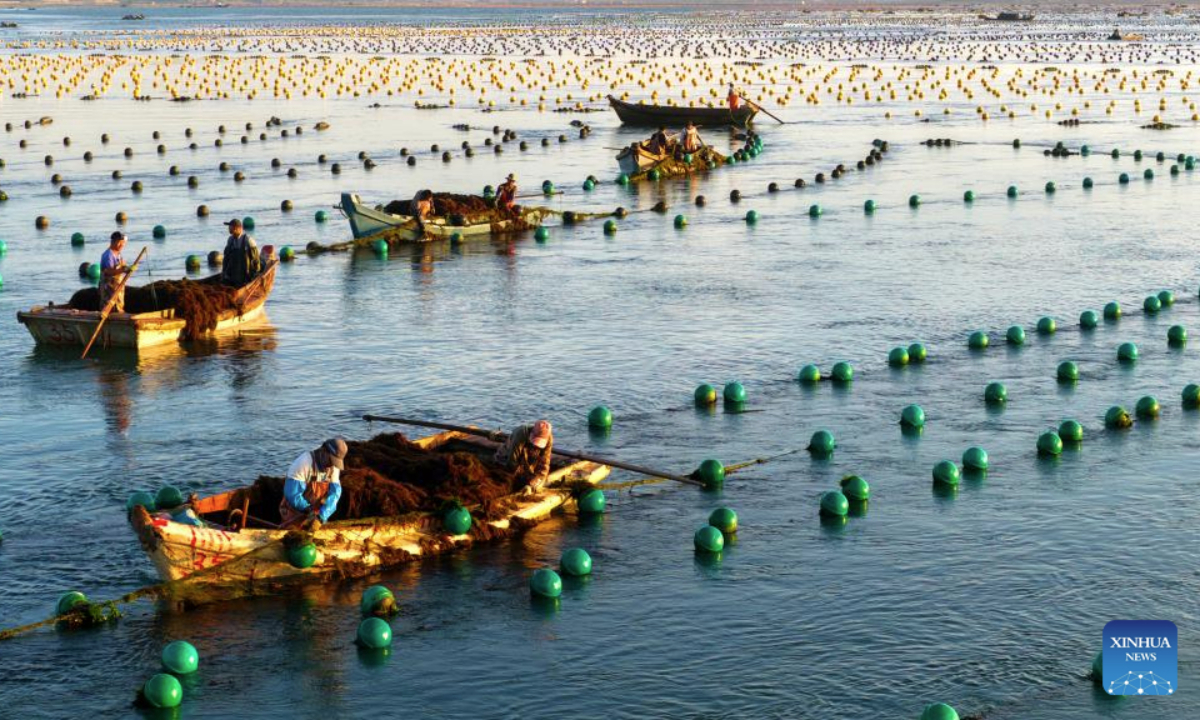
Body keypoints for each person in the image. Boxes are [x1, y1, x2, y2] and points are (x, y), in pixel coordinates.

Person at [280, 438, 347, 528]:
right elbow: (292, 494)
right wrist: (309, 511)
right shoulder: (304, 463)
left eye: (335, 462)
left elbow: (335, 494)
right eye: (331, 460)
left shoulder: (333, 467)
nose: (331, 465)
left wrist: (321, 516)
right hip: (295, 512)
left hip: (316, 514)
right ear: (324, 451)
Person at [493, 420, 553, 492]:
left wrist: (531, 484)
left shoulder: (548, 439)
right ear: (532, 432)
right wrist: (521, 482)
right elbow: (512, 462)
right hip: (505, 458)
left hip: (527, 461)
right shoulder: (521, 433)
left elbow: (544, 468)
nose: (535, 445)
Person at [220, 218, 261, 288]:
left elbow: (256, 260)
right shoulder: (230, 240)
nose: (229, 228)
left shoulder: (249, 241)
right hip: (233, 274)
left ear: (238, 228)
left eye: (231, 227)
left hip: (245, 275)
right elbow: (226, 258)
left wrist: (255, 276)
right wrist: (224, 273)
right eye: (229, 227)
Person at [99, 231, 128, 312]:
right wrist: (123, 270)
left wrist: (126, 268)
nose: (122, 245)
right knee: (110, 306)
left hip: (117, 287)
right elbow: (108, 271)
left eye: (123, 243)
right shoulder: (108, 255)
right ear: (113, 242)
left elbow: (120, 267)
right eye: (120, 242)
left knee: (119, 305)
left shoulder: (118, 253)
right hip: (109, 288)